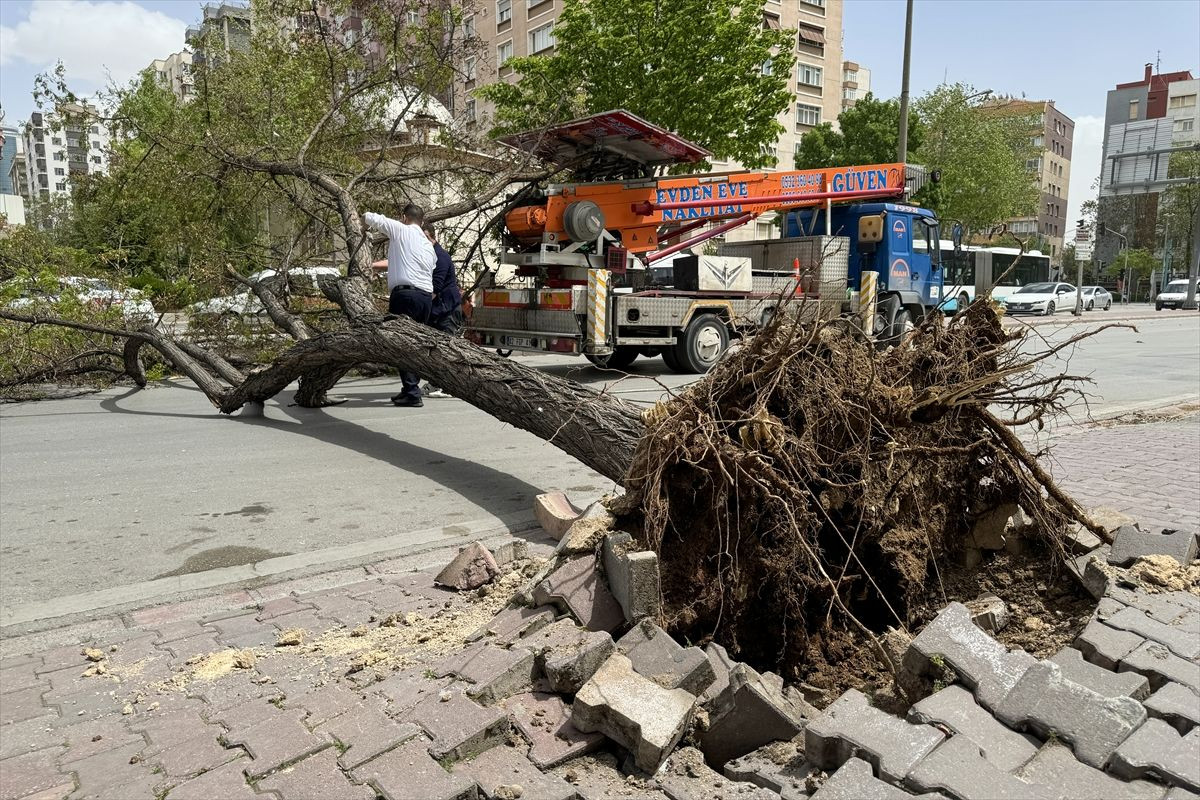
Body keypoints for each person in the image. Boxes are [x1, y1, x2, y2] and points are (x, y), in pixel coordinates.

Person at [364, 203, 437, 407]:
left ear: (404, 217)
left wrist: (362, 226)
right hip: (424, 298)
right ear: (422, 222)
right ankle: (409, 388)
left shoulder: (401, 230)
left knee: (401, 344)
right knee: (415, 344)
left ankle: (412, 393)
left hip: (405, 296)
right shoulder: (427, 246)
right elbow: (419, 267)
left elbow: (371, 216)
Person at [420, 222, 464, 399]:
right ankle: (438, 383)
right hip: (437, 310)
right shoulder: (429, 255)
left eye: (423, 238)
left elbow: (434, 287)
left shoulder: (441, 257)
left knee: (447, 349)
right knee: (436, 349)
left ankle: (447, 386)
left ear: (431, 237)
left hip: (448, 310)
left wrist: (420, 306)